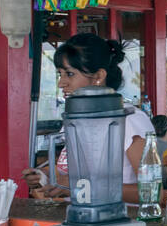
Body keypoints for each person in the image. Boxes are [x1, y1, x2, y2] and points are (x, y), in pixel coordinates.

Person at [22, 34, 155, 200]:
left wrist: (81, 189)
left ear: (99, 76)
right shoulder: (76, 120)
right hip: (77, 218)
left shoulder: (131, 120)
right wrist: (43, 175)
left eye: (70, 74)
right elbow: (66, 170)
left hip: (120, 220)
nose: (61, 83)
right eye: (60, 74)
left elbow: (151, 192)